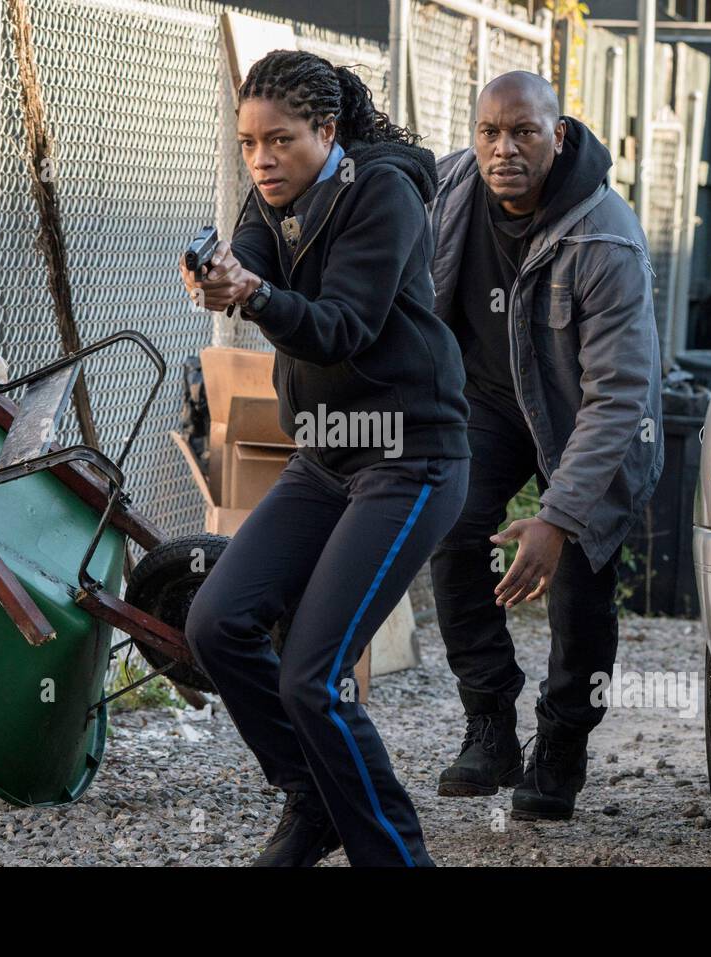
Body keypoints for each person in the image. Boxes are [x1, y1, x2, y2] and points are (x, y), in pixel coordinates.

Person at [179, 50, 470, 867]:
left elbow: (340, 325)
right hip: (328, 456)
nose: (262, 160)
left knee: (314, 674)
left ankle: (397, 856)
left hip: (411, 456)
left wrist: (254, 296)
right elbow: (251, 265)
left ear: (328, 131)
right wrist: (221, 278)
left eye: (279, 142)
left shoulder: (384, 193)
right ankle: (313, 798)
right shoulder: (270, 197)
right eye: (247, 144)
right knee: (215, 622)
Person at [427, 71, 664, 820]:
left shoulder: (606, 236)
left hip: (585, 415)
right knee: (450, 524)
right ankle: (489, 718)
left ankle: (562, 741)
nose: (504, 148)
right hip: (490, 400)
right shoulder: (449, 188)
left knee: (581, 573)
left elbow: (619, 397)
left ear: (557, 137)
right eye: (489, 132)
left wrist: (557, 521)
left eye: (524, 132)